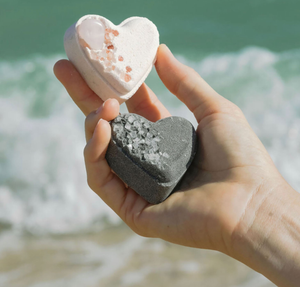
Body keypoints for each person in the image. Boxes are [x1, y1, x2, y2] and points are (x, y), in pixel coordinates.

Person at [54, 44, 300, 287]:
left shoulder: (183, 134)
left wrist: (257, 207)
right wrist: (260, 211)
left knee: (107, 127)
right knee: (107, 129)